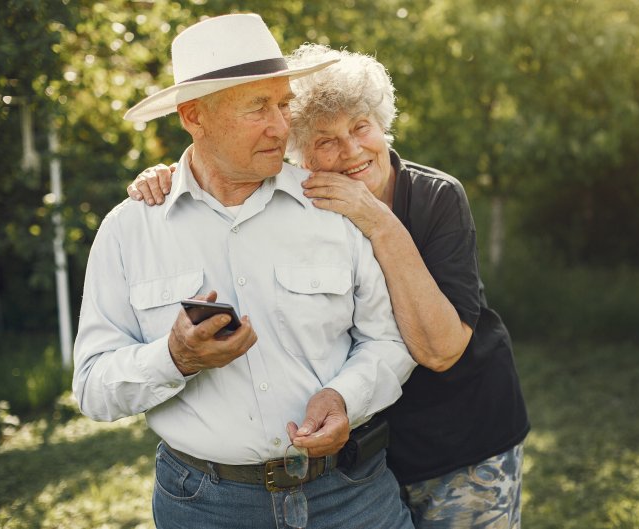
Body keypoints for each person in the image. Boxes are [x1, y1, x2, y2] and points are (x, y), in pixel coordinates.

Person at [129, 43, 531, 529]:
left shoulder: (435, 198)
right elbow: (224, 172)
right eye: (325, 140)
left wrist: (378, 221)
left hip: (461, 443)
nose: (352, 150)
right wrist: (176, 177)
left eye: (361, 127)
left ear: (381, 124)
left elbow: (442, 350)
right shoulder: (305, 205)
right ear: (297, 153)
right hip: (361, 460)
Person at [74, 15, 418, 529]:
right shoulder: (129, 231)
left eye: (283, 103)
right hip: (205, 507)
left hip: (350, 495)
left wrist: (343, 396)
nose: (281, 126)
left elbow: (389, 340)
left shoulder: (332, 205)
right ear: (194, 116)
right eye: (257, 107)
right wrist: (174, 358)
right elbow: (92, 388)